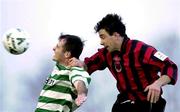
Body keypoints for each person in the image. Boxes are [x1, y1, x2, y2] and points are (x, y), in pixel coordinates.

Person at [69, 14, 178, 112]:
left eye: (103, 37)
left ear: (116, 35)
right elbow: (88, 65)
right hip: (124, 104)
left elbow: (170, 66)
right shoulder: (106, 54)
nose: (101, 42)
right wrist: (80, 64)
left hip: (148, 104)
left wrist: (157, 84)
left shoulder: (141, 49)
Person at [35, 34, 91, 112]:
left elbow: (80, 82)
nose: (53, 48)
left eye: (57, 47)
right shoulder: (57, 69)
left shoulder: (73, 70)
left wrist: (81, 94)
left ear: (67, 54)